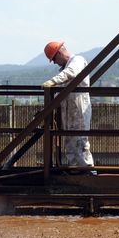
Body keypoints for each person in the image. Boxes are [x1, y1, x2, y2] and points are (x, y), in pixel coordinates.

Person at [42, 41, 95, 170]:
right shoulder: (65, 69)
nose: (54, 62)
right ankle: (74, 170)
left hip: (79, 108)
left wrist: (52, 81)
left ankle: (87, 171)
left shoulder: (77, 61)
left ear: (59, 53)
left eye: (54, 59)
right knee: (69, 141)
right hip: (69, 111)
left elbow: (71, 72)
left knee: (80, 141)